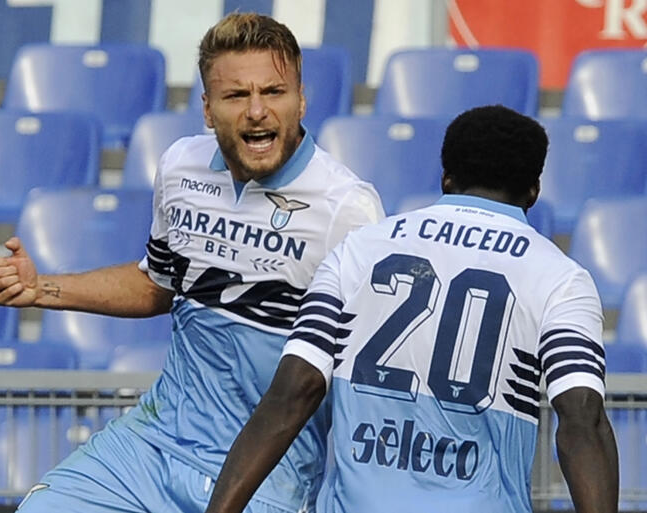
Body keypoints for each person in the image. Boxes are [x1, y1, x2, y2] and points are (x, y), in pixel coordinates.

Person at [0, 12, 384, 513]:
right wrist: (42, 289)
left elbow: (371, 371)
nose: (257, 111)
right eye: (236, 95)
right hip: (150, 446)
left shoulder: (349, 208)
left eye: (274, 92)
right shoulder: (180, 166)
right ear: (208, 109)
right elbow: (157, 284)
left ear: (301, 100)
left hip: (266, 477)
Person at [204, 105, 619, 513]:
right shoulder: (561, 280)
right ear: (533, 191)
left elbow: (293, 391)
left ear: (446, 177)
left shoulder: (358, 251)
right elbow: (582, 418)